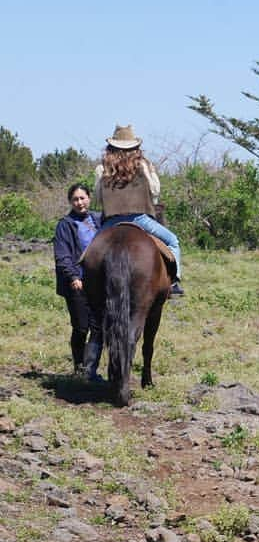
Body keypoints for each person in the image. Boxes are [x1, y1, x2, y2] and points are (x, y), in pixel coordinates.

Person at [92, 125, 183, 296]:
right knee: (172, 242)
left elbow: (97, 198)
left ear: (111, 147)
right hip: (140, 219)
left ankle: (86, 283)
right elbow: (155, 191)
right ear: (135, 147)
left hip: (112, 221)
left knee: (88, 253)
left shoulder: (101, 168)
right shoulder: (144, 165)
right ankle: (174, 282)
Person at [52, 183, 103, 379]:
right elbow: (62, 255)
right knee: (81, 327)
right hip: (77, 283)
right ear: (70, 202)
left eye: (82, 198)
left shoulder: (98, 219)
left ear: (89, 198)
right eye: (75, 199)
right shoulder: (65, 224)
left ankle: (90, 371)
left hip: (97, 283)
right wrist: (73, 276)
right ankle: (79, 367)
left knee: (98, 327)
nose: (79, 202)